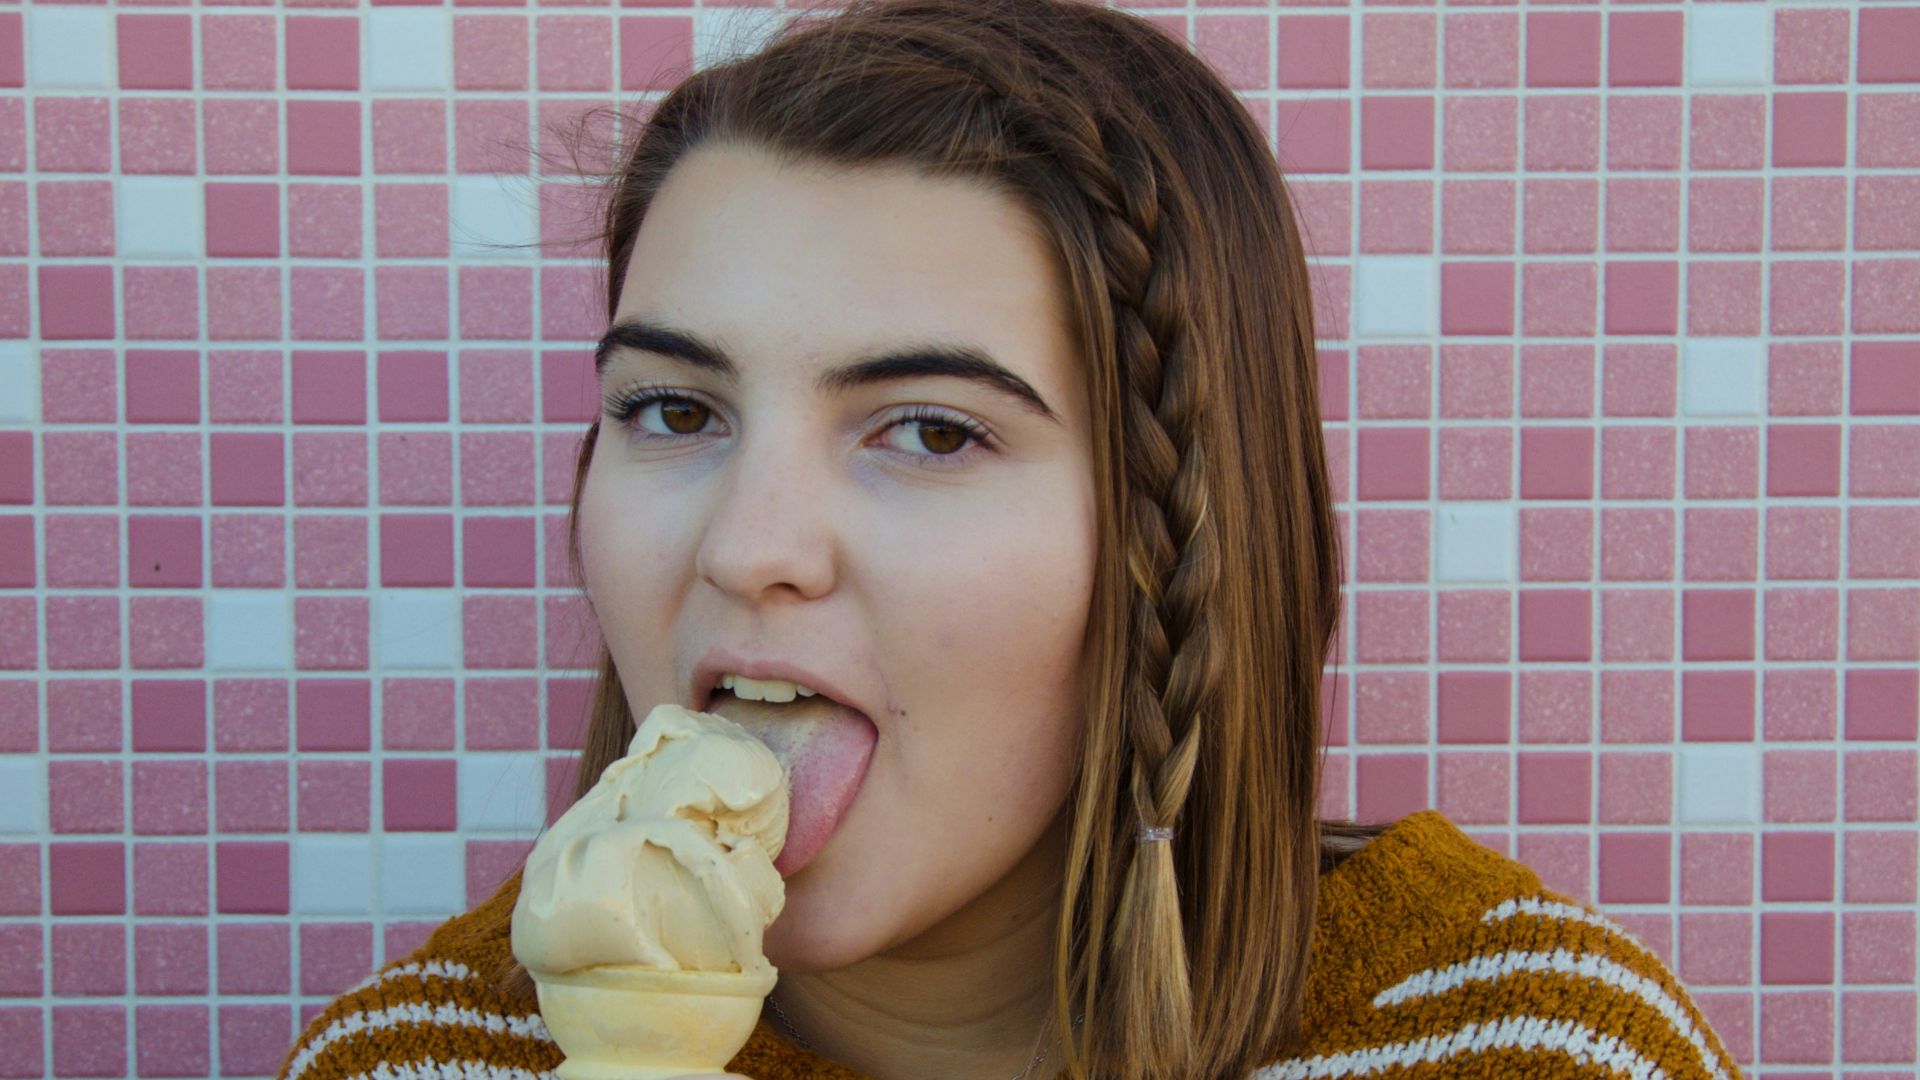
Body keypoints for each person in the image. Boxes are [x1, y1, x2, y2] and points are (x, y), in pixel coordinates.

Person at [280, 1, 1743, 1078]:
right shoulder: (423, 1062)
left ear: (1174, 545)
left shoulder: (1528, 1045)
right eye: (673, 410)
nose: (749, 546)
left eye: (929, 430)